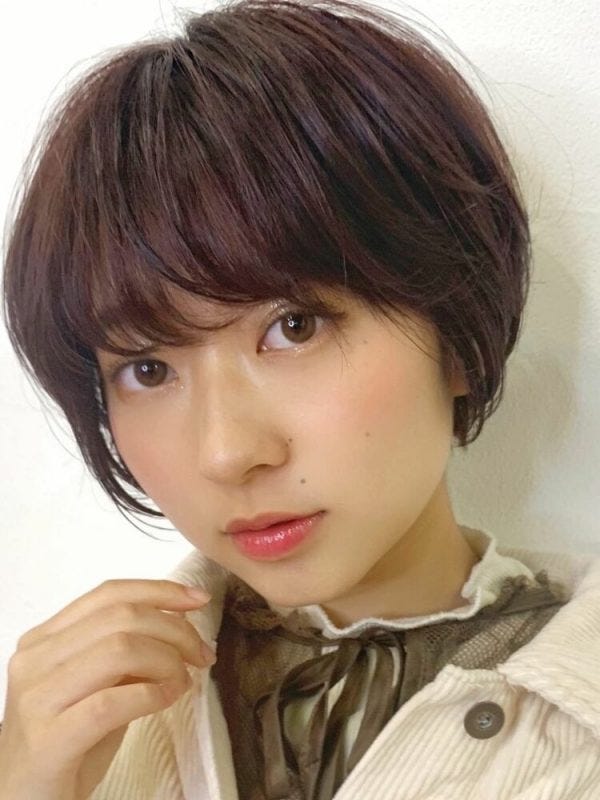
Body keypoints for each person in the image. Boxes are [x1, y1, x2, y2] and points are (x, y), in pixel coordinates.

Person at [1, 0, 599, 797]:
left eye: (294, 326)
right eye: (147, 369)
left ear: (455, 330)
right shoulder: (71, 740)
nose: (227, 453)